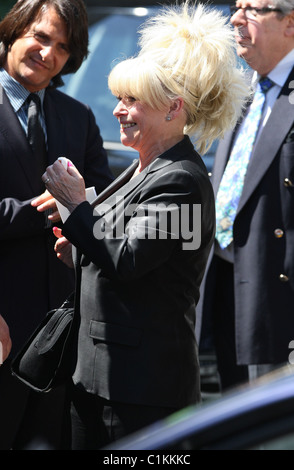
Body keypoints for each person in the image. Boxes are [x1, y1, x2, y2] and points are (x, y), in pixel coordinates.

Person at [43, 2, 249, 449]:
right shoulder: (143, 166)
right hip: (96, 376)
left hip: (141, 391)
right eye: (119, 98)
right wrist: (78, 247)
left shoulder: (182, 178)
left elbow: (129, 259)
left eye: (132, 101)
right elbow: (126, 249)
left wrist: (77, 206)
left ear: (174, 108)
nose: (118, 110)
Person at [0, 0, 113, 450]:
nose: (48, 53)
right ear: (12, 31)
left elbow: (103, 200)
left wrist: (79, 205)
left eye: (62, 47)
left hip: (62, 336)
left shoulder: (77, 116)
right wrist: (40, 209)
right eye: (40, 37)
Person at [196, 0, 294, 392]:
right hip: (222, 285)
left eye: (252, 9)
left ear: (290, 23)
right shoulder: (246, 90)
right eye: (237, 7)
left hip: (278, 301)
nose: (236, 19)